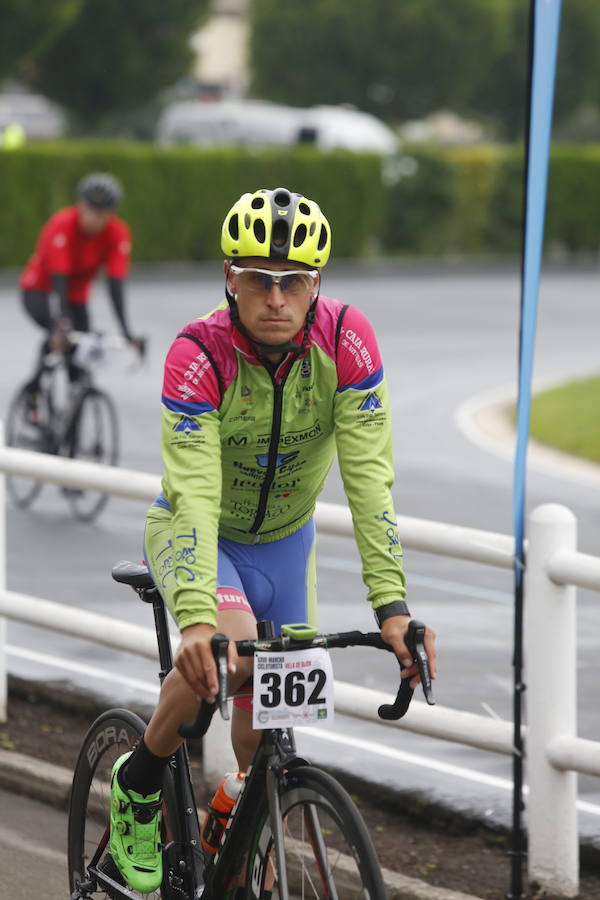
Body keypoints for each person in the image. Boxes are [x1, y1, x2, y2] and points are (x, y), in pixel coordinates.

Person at [108, 186, 437, 893]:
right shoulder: (198, 352)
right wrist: (196, 617)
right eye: (260, 278)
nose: (277, 297)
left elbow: (370, 481)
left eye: (294, 282)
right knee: (224, 662)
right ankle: (137, 784)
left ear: (317, 283)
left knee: (267, 733)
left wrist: (393, 608)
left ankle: (229, 817)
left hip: (288, 545)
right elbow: (194, 493)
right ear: (231, 277)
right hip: (200, 535)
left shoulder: (347, 341)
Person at [19, 172, 140, 417]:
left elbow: (115, 284)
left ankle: (73, 406)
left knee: (81, 348)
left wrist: (127, 331)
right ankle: (34, 392)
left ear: (111, 214)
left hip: (76, 294)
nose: (94, 219)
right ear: (80, 206)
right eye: (90, 210)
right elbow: (59, 277)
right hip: (40, 287)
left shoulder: (117, 233)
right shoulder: (62, 224)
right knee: (58, 331)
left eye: (102, 213)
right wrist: (60, 323)